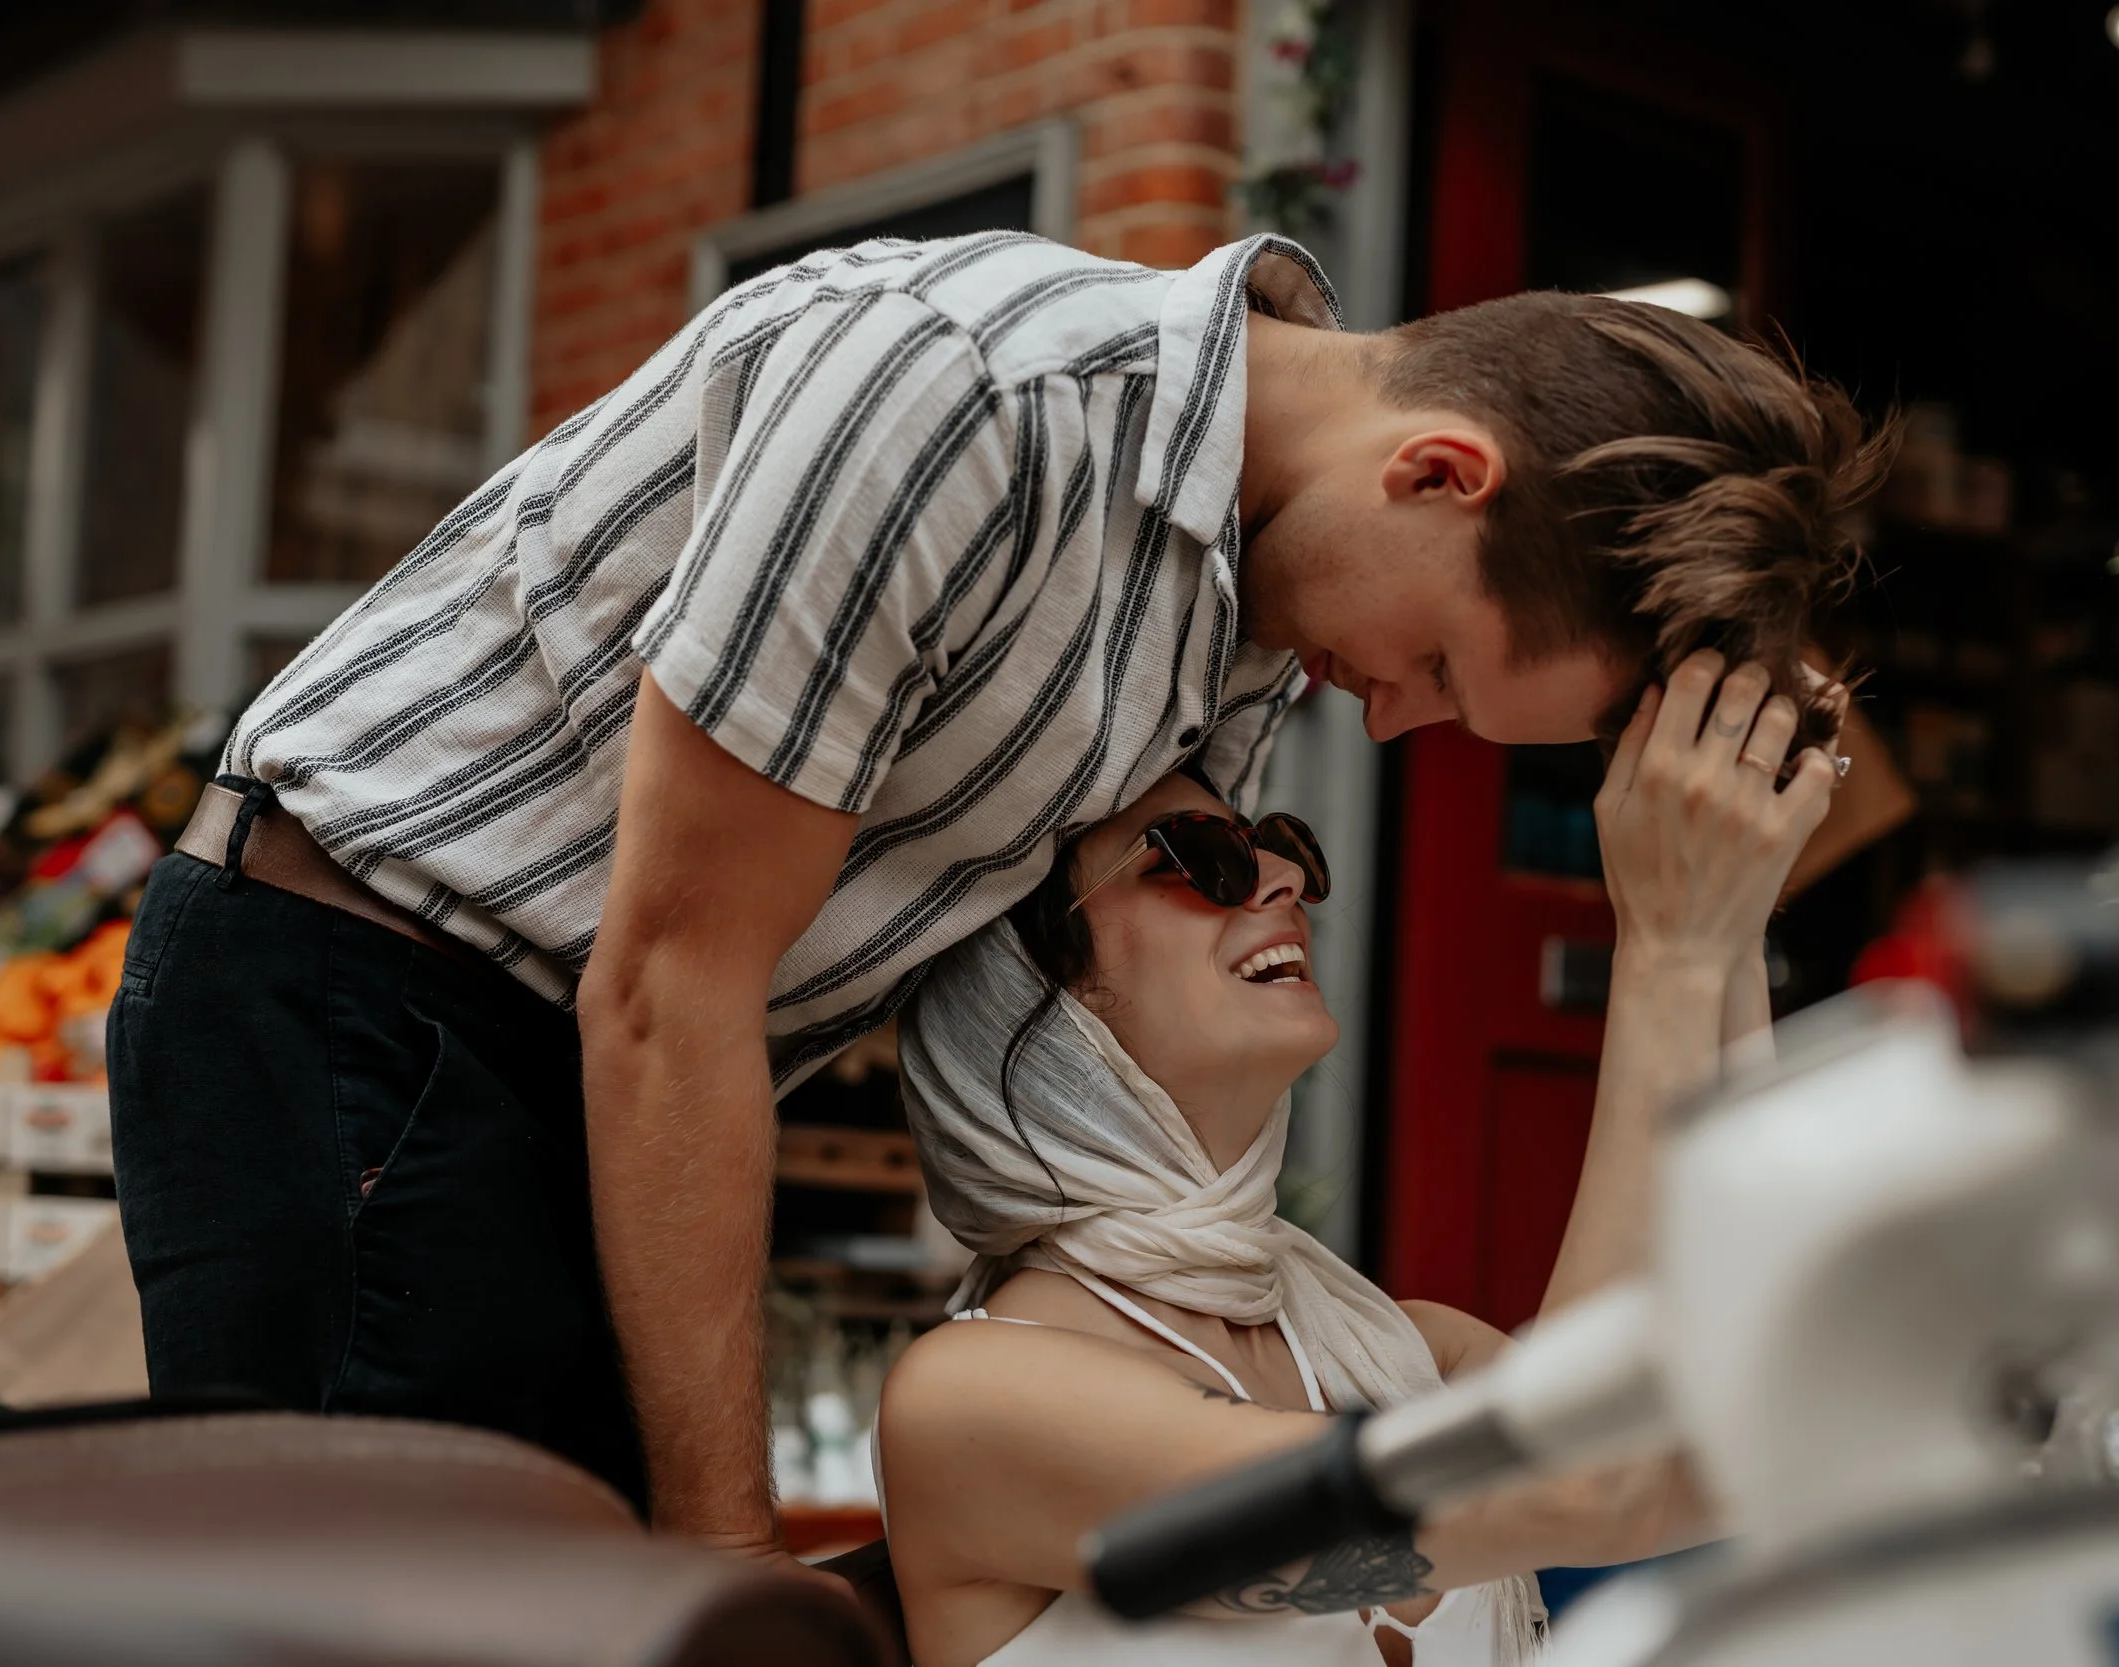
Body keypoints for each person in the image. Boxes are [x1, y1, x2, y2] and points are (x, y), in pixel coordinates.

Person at [107, 225, 1889, 1580]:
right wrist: (735, 1587)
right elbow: (668, 988)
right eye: (1432, 660)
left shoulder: (1257, 593)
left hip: (602, 1058)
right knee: (396, 1615)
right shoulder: (966, 393)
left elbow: (1640, 1449)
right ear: (1436, 469)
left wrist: (1708, 910)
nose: (1396, 716)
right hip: (370, 984)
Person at [882, 671, 1834, 1667]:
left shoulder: (1404, 1350)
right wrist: (1672, 944)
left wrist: (1729, 908)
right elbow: (1593, 1477)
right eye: (1200, 860)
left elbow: (1727, 1445)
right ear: (1026, 1006)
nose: (1281, 881)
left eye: (1272, 845)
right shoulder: (971, 1400)